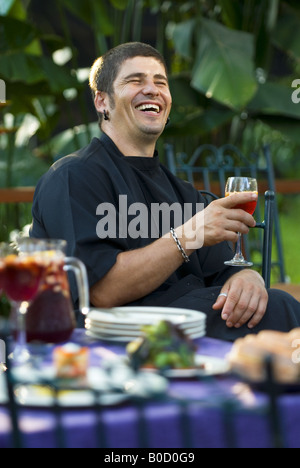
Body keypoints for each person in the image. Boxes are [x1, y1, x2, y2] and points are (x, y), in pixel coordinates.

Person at [30, 42, 300, 341]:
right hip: (119, 339)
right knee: (282, 309)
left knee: (275, 304)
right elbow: (102, 291)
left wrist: (246, 277)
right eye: (135, 81)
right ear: (102, 102)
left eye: (161, 82)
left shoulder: (182, 192)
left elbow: (224, 271)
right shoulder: (74, 176)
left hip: (191, 327)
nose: (152, 89)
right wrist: (191, 233)